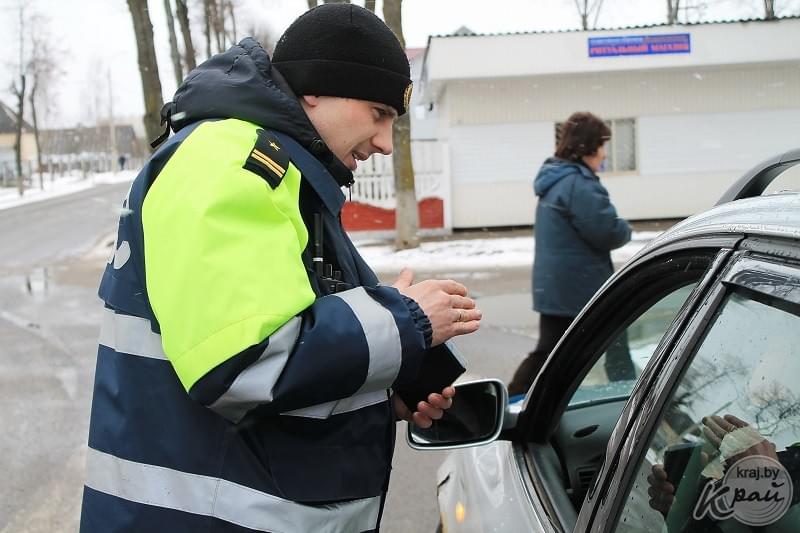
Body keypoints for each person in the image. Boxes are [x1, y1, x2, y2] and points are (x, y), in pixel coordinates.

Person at [79, 5, 481, 532]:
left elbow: (279, 336)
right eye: (378, 112)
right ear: (315, 89)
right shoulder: (229, 164)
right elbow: (244, 363)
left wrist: (387, 382)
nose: (385, 142)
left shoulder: (282, 173)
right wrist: (407, 320)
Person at [508, 111, 632, 397]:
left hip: (558, 287)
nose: (604, 154)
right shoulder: (579, 184)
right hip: (582, 289)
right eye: (602, 146)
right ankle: (630, 402)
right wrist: (625, 229)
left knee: (550, 354)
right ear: (588, 147)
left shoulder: (556, 178)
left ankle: (517, 401)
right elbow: (607, 232)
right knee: (615, 349)